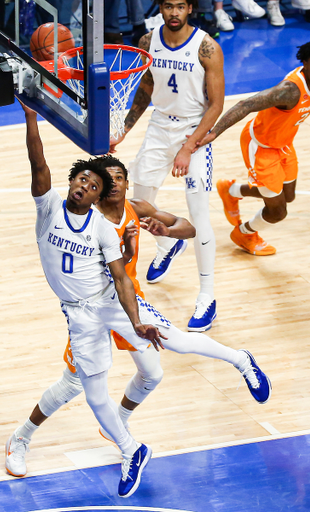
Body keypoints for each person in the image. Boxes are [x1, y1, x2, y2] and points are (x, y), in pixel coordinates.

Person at [6, 152, 271, 485]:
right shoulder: (90, 213)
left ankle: (239, 360)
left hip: (127, 302)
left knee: (158, 366)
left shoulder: (136, 208)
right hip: (87, 309)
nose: (114, 181)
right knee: (74, 383)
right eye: (107, 178)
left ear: (127, 183)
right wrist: (130, 250)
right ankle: (22, 437)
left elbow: (187, 228)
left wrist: (167, 231)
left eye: (119, 176)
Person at [110, 0, 225, 333]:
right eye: (167, 6)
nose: (173, 13)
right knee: (138, 203)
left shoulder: (207, 47)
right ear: (160, 8)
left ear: (190, 8)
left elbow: (216, 105)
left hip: (194, 131)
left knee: (198, 213)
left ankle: (207, 296)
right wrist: (124, 130)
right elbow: (145, 90)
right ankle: (168, 244)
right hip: (160, 126)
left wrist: (188, 148)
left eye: (180, 6)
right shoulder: (148, 41)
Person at [196, 42, 310, 256]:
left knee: (288, 195)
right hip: (261, 147)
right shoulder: (289, 91)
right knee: (277, 211)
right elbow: (244, 105)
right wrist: (213, 132)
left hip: (284, 144)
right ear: (305, 62)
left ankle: (231, 190)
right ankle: (244, 234)